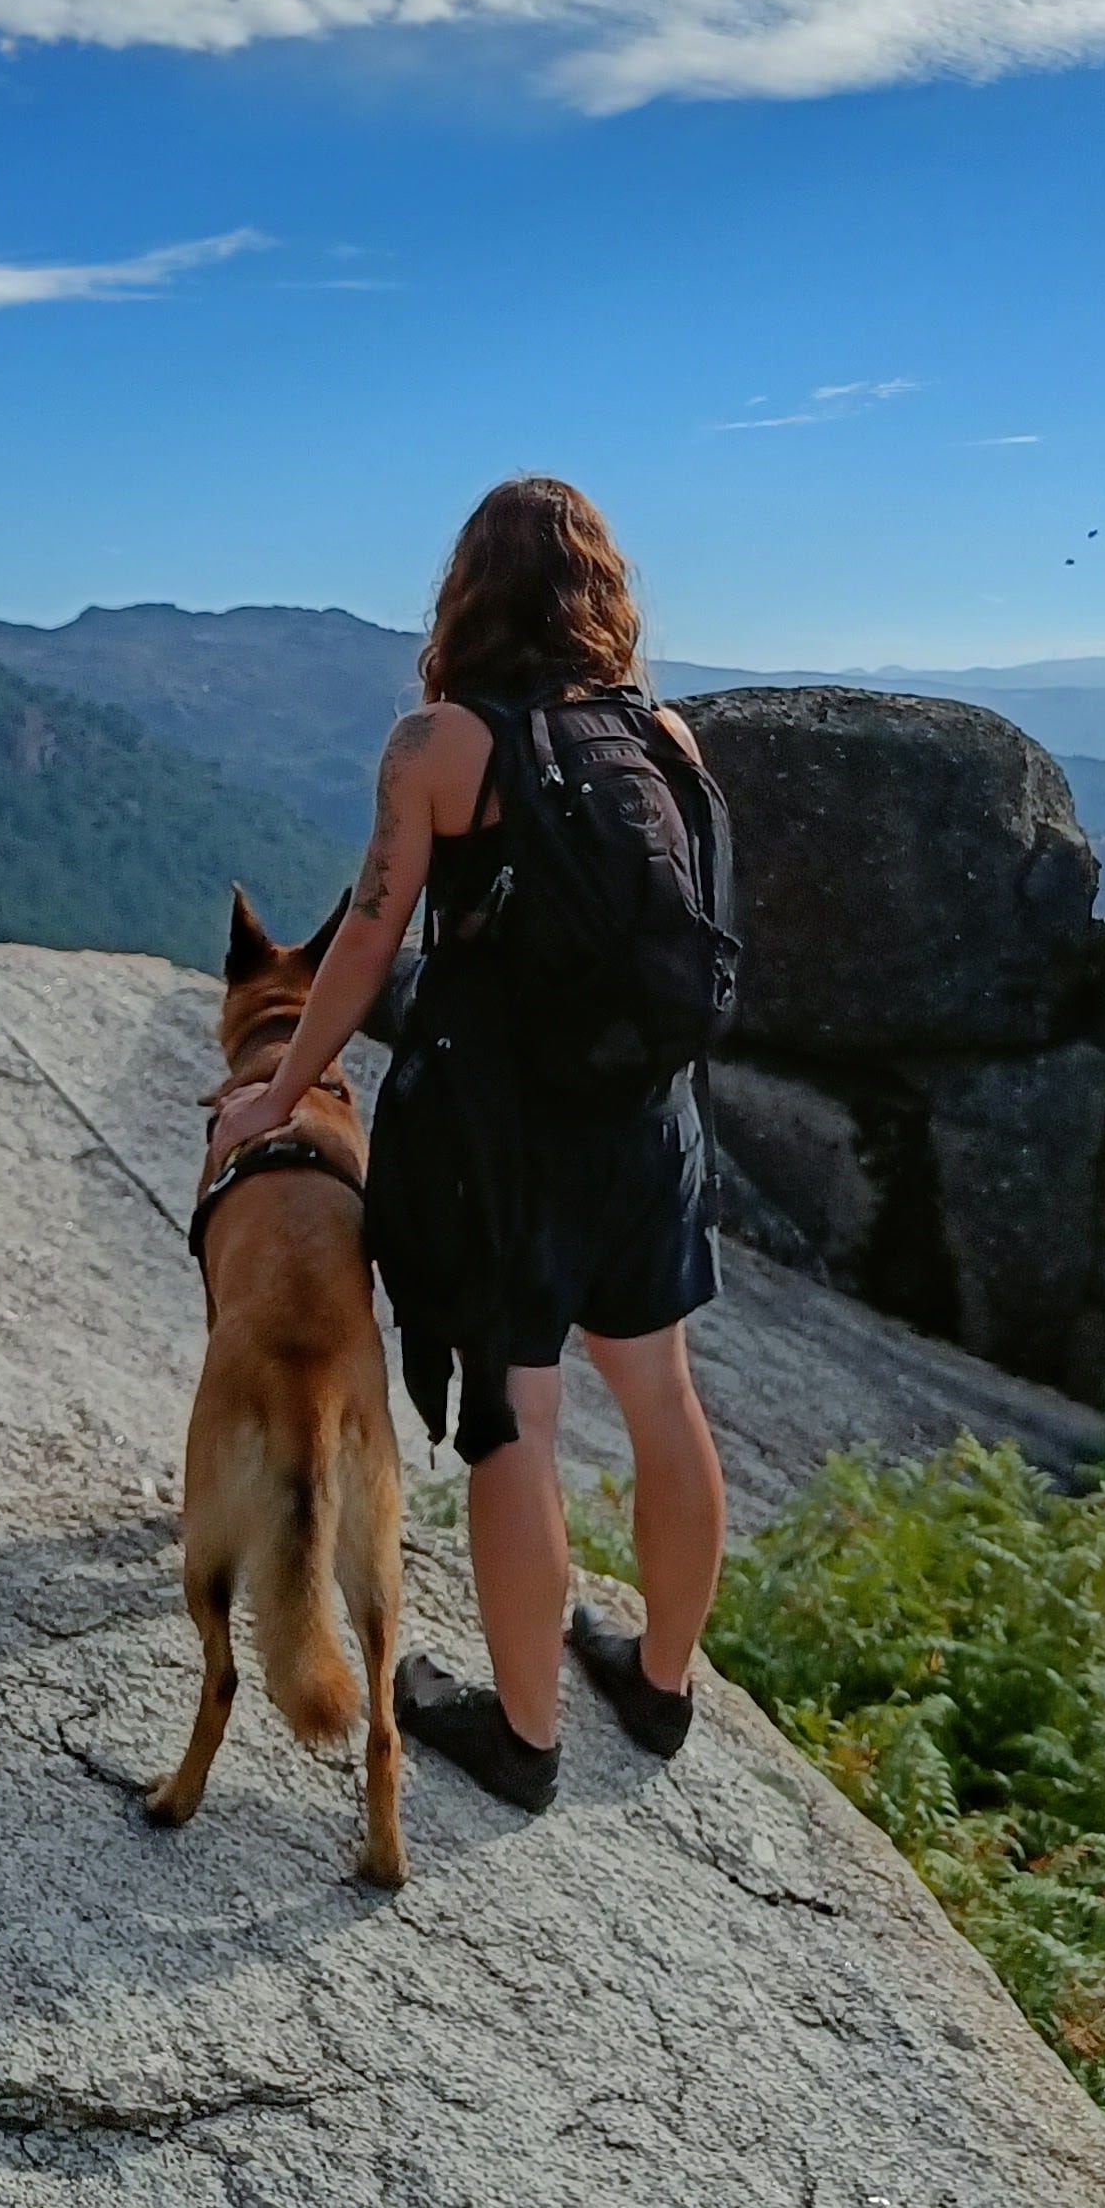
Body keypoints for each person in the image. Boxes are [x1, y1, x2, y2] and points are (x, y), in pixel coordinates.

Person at [202, 474, 728, 1816]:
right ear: (602, 595)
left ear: (467, 597)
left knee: (514, 1425)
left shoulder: (438, 745)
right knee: (663, 1401)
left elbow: (368, 937)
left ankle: (527, 1738)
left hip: (510, 1145)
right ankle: (661, 1686)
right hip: (648, 1127)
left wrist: (279, 1097)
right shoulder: (663, 734)